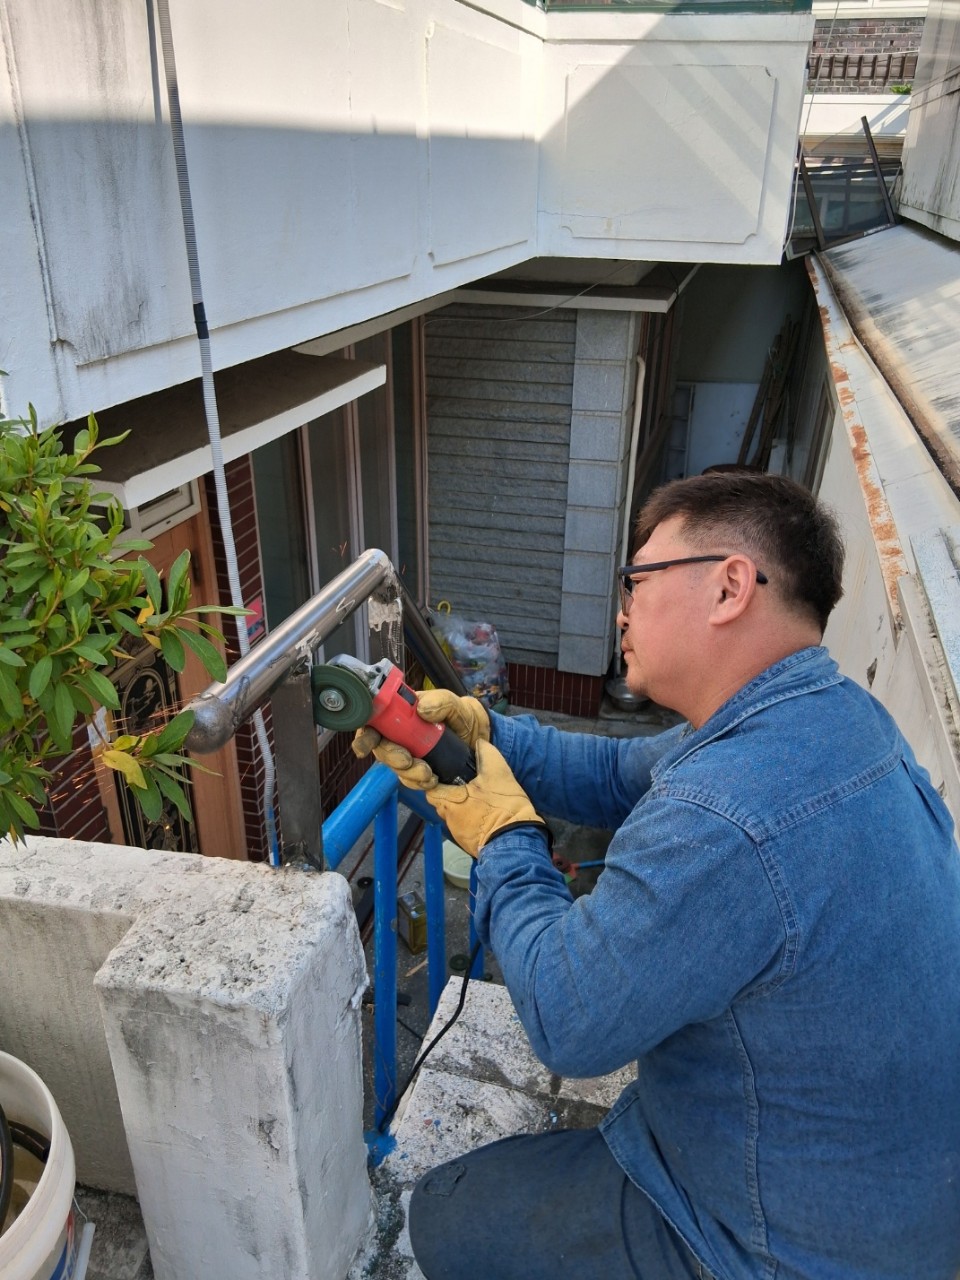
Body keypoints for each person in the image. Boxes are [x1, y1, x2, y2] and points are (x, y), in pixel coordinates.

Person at [354, 472, 960, 1280]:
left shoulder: (728, 814)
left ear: (729, 587)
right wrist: (488, 732)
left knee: (442, 1210)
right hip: (876, 1199)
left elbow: (569, 1018)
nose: (623, 611)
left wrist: (502, 834)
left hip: (776, 1247)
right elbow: (614, 774)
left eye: (637, 580)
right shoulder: (831, 715)